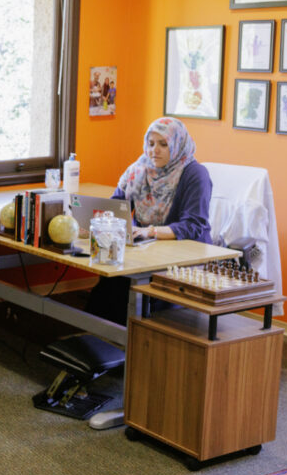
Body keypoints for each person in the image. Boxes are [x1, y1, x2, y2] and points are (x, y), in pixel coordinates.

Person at [86, 116, 212, 323]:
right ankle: (101, 339)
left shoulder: (195, 174)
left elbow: (193, 225)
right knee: (110, 280)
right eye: (151, 144)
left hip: (185, 253)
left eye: (163, 144)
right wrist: (99, 222)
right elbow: (118, 205)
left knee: (125, 283)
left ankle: (129, 337)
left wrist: (150, 231)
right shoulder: (139, 168)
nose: (155, 150)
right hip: (147, 247)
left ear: (177, 144)